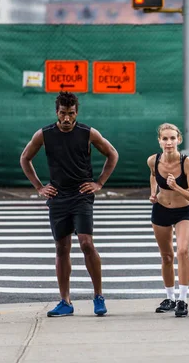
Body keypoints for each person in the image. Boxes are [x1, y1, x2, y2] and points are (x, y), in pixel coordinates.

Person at [20, 91, 119, 317]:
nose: (66, 119)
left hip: (81, 194)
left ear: (77, 113)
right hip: (58, 196)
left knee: (86, 243)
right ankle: (65, 301)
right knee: (62, 248)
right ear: (57, 112)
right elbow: (25, 158)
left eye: (71, 114)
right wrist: (39, 187)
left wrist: (99, 183)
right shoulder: (44, 134)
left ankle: (98, 296)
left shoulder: (87, 133)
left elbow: (112, 154)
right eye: (63, 114)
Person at [147, 123, 189, 317]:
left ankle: (182, 300)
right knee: (166, 256)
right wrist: (153, 193)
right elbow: (153, 176)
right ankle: (169, 297)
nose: (169, 142)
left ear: (179, 140)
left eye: (172, 138)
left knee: (183, 251)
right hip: (160, 210)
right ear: (159, 140)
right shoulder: (153, 160)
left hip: (183, 211)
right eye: (165, 139)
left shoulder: (187, 163)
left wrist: (176, 187)